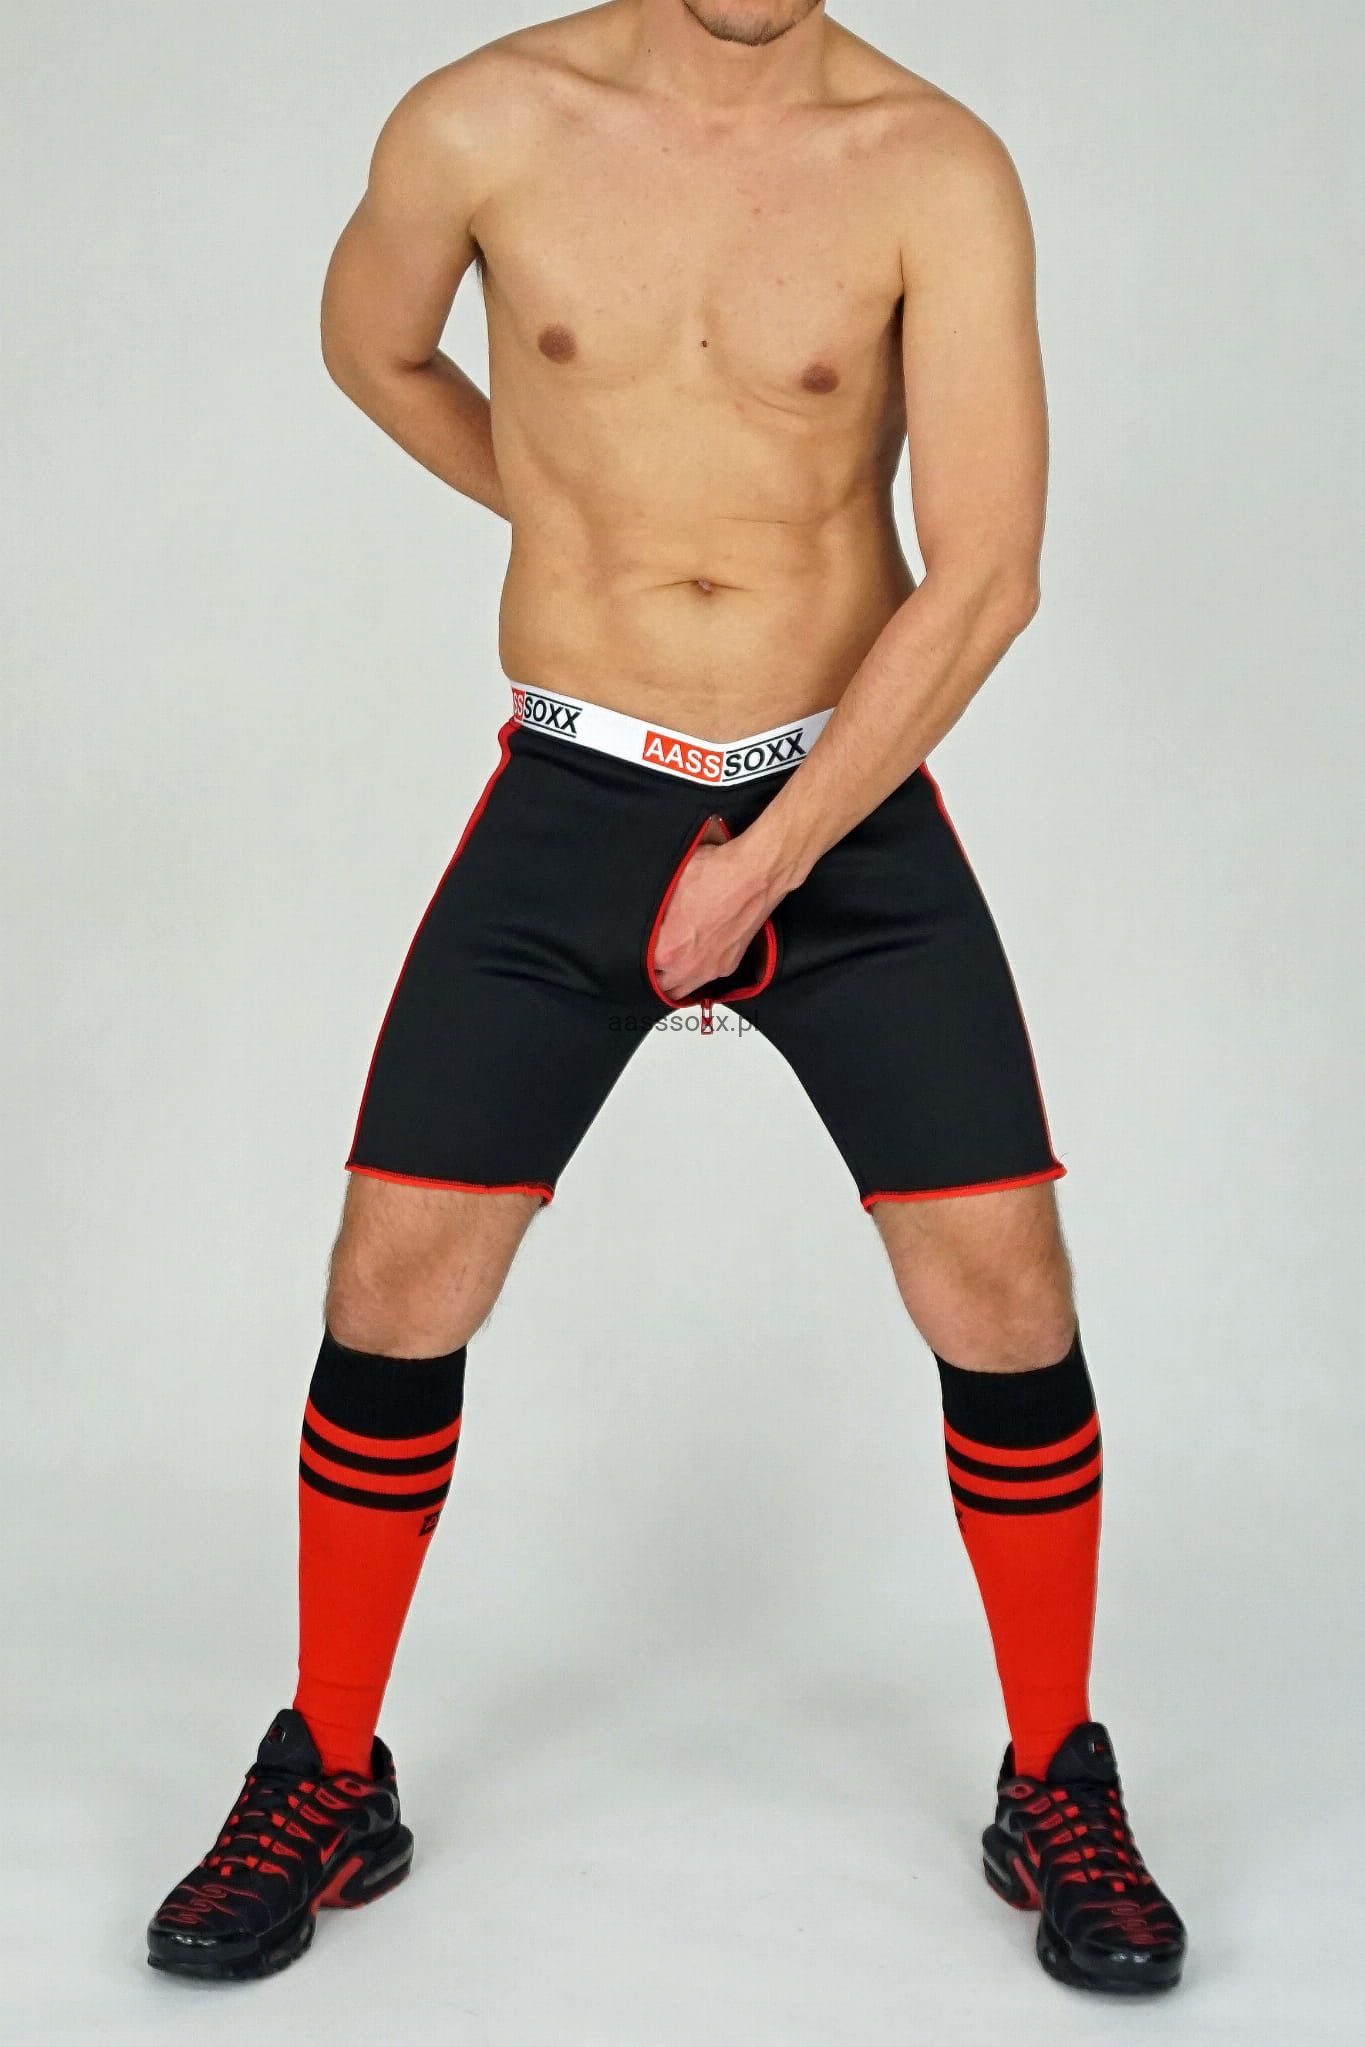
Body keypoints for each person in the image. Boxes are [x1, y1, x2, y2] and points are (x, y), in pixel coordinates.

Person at [147, 0, 1186, 1997]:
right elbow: (371, 346)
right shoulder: (484, 119)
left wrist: (769, 857)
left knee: (1001, 1290)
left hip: (840, 797)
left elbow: (984, 571)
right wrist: (571, 502)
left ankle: (1054, 1771)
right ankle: (328, 1770)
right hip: (576, 791)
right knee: (397, 1277)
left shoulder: (930, 164)